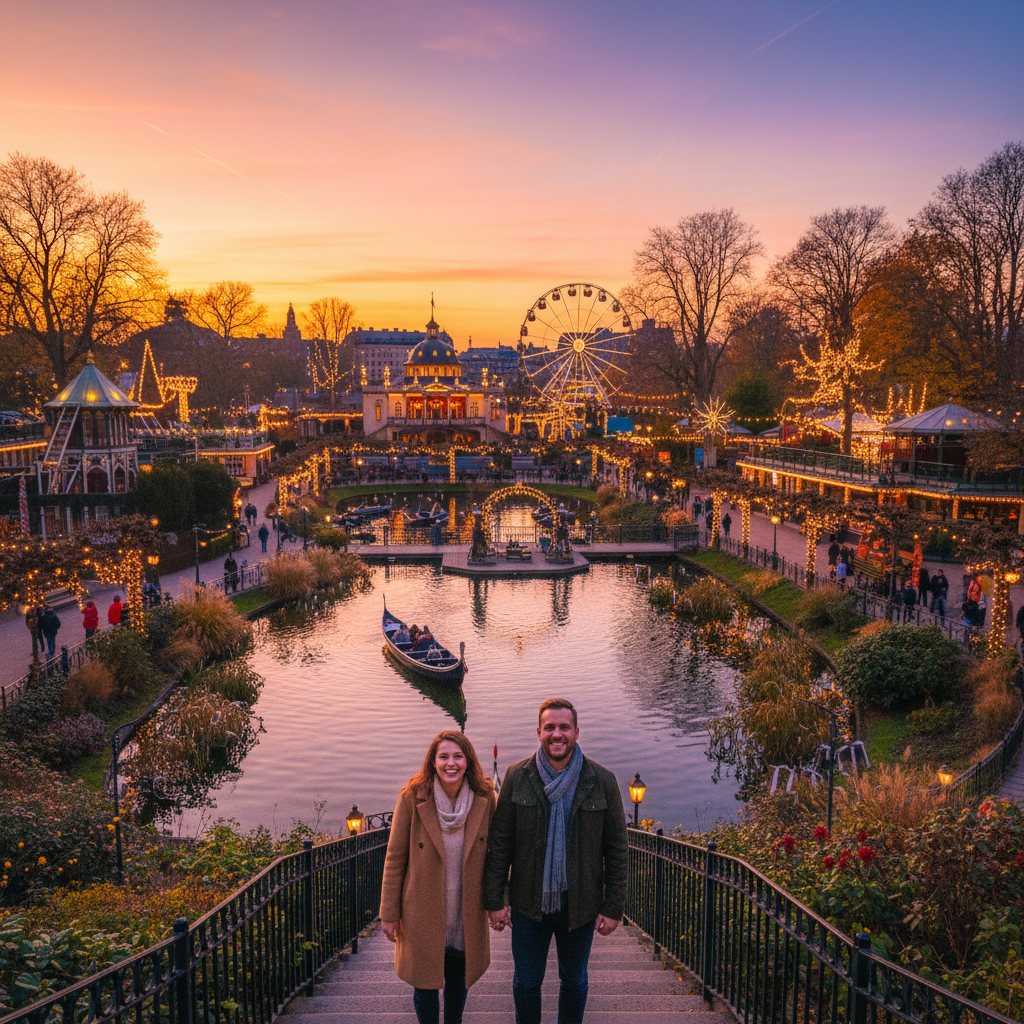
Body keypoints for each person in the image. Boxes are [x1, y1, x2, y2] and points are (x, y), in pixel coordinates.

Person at [483, 698, 628, 1024]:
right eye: (550, 727)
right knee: (526, 983)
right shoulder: (516, 777)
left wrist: (612, 907)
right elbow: (500, 845)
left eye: (564, 727)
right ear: (539, 732)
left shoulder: (602, 781)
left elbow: (617, 850)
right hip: (526, 904)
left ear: (576, 731)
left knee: (575, 981)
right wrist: (495, 900)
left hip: (581, 906)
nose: (557, 734)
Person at [380, 731, 496, 1024]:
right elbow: (395, 859)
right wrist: (388, 913)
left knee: (458, 978)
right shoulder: (412, 798)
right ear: (433, 762)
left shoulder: (485, 799)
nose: (450, 763)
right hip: (421, 908)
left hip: (465, 907)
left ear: (468, 761)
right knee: (426, 983)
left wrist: (499, 902)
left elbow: (498, 856)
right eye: (443, 756)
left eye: (458, 756)